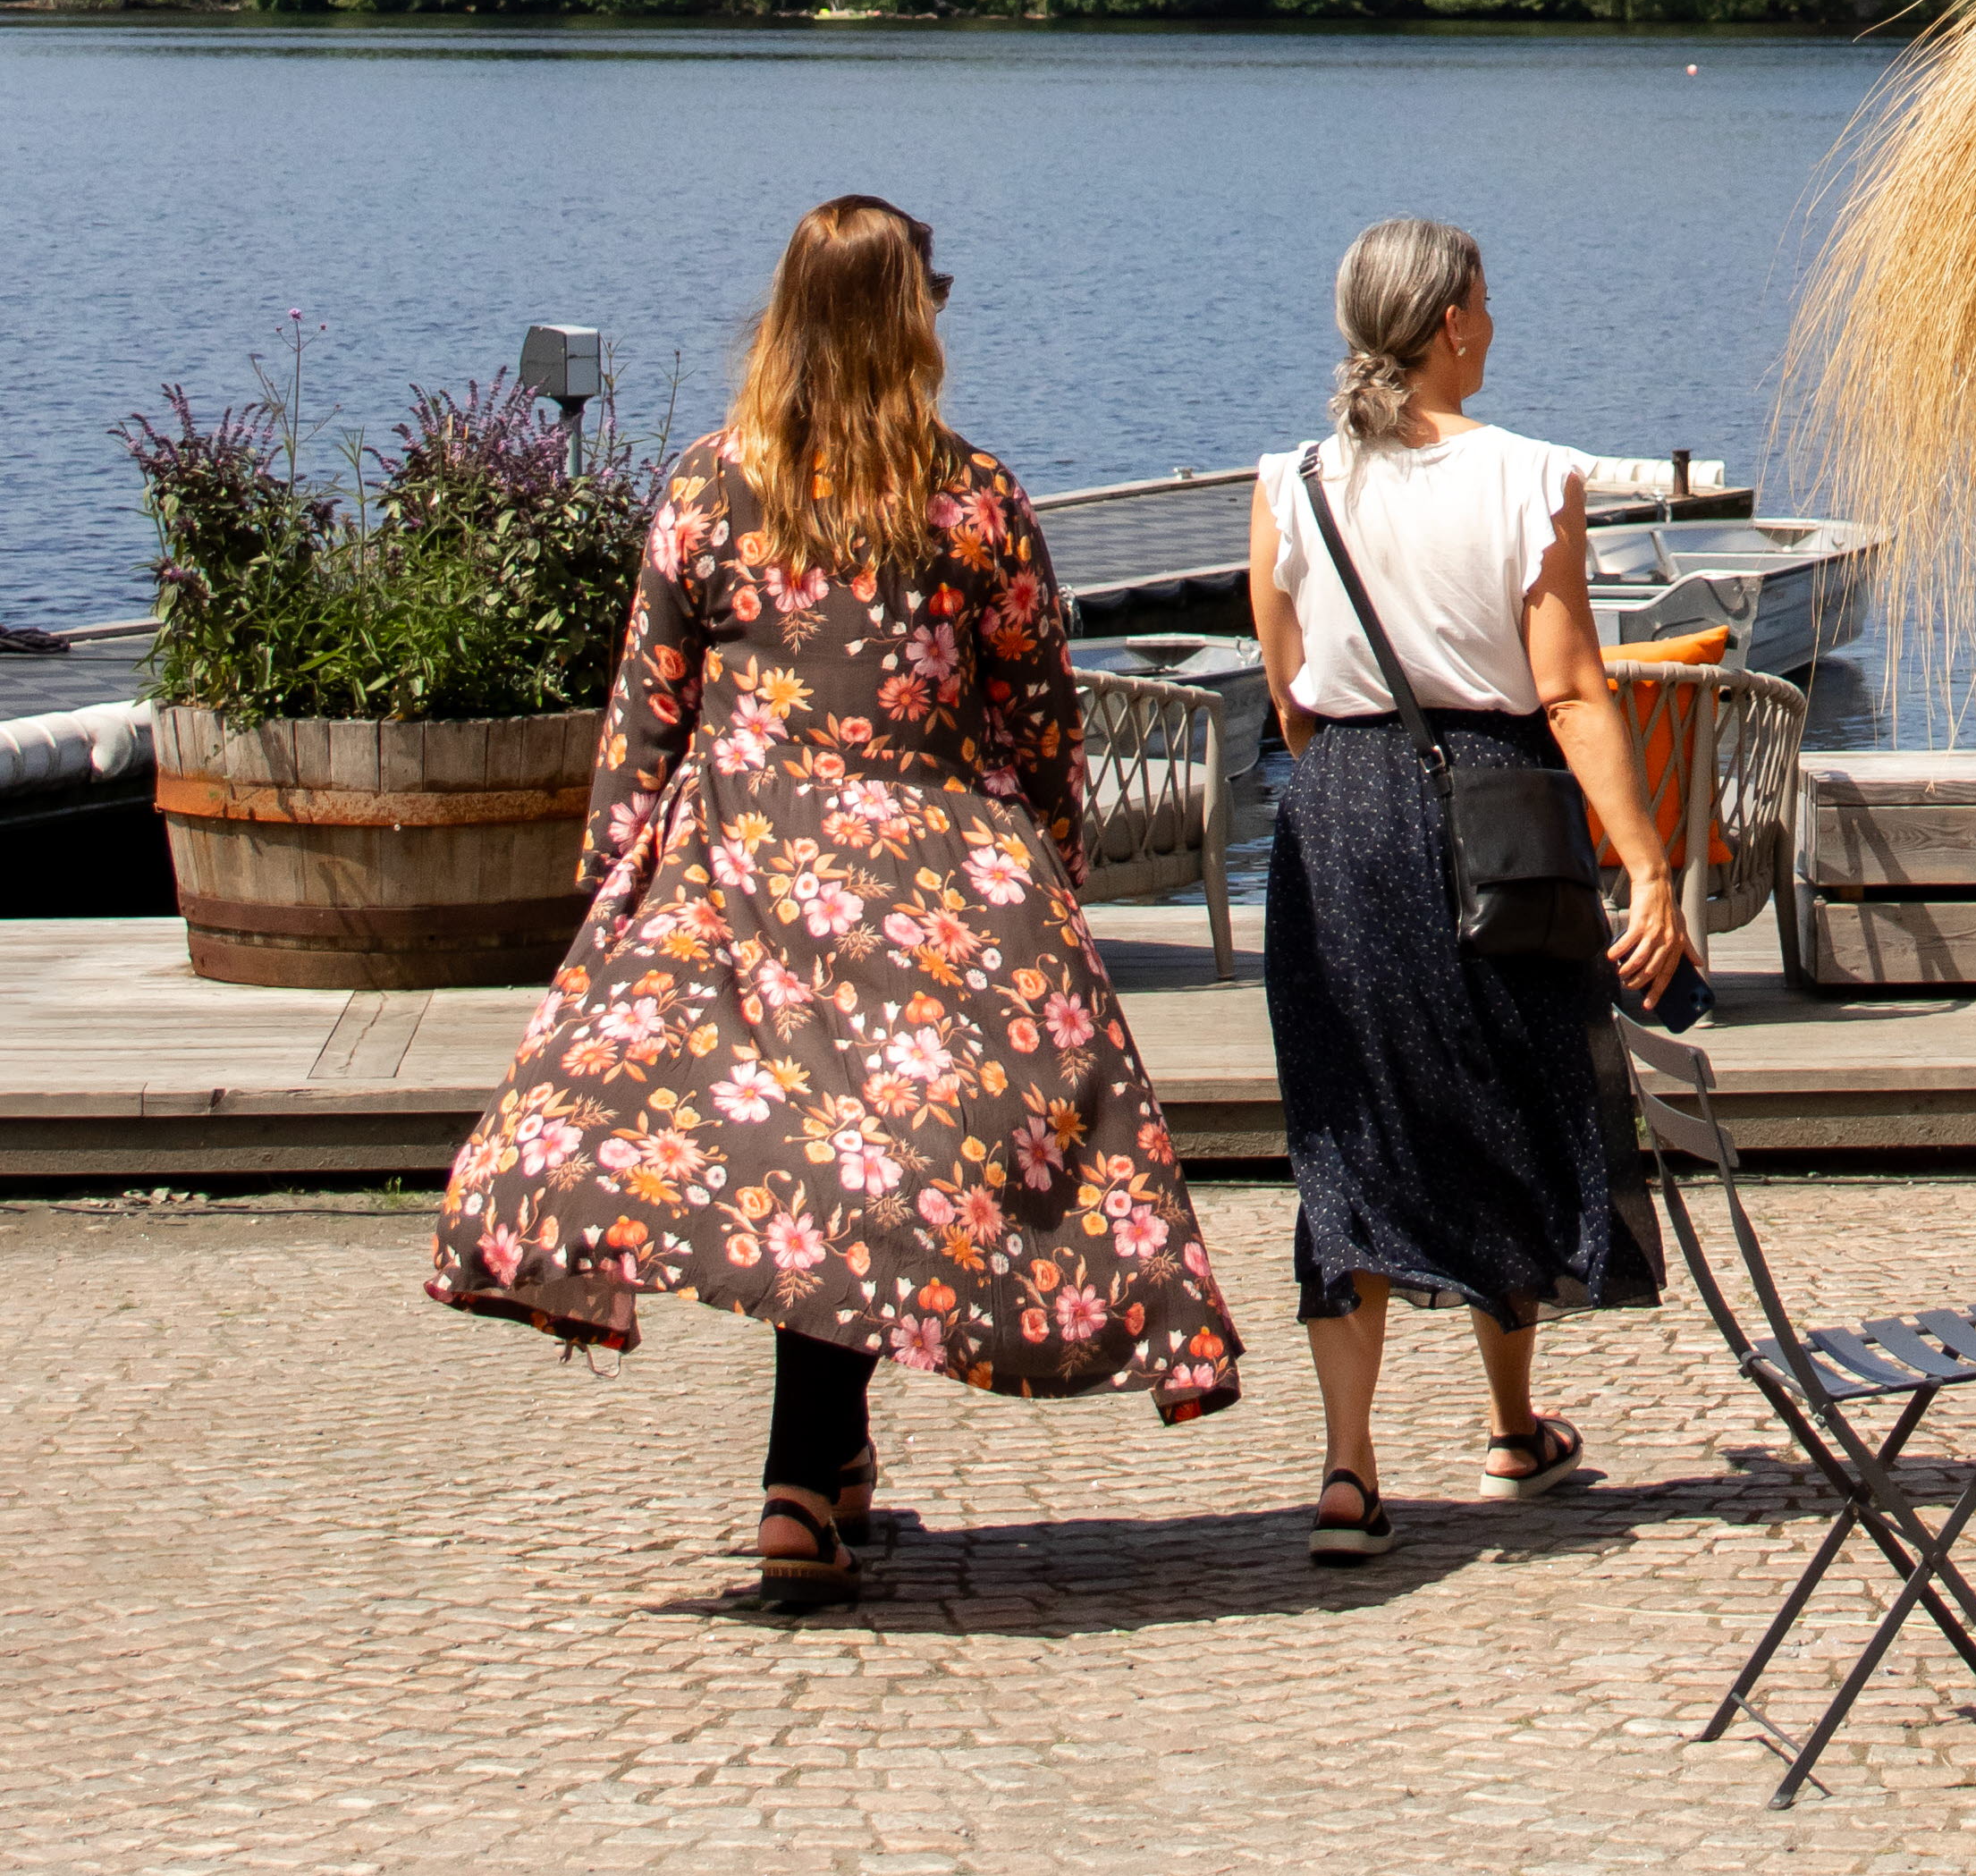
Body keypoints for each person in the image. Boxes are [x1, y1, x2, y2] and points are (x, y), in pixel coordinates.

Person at [429, 195, 1244, 1604]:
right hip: (930, 878)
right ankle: (805, 1480)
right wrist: (1045, 873)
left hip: (740, 868)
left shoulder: (707, 485)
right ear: (903, 319)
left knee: (802, 1166)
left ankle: (820, 1470)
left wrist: (616, 882)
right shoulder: (971, 497)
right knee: (867, 1164)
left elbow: (647, 709)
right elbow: (1040, 712)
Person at [1246, 215, 1694, 1564]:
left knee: (1348, 1116)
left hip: (1337, 811)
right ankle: (1509, 1428)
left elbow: (1287, 694)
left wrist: (1357, 790)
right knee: (1506, 1085)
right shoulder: (1529, 477)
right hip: (1490, 804)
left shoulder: (1288, 482)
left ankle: (1348, 1470)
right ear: (1450, 323)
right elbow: (1570, 689)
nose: (1493, 324)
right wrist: (1647, 861)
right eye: (1485, 304)